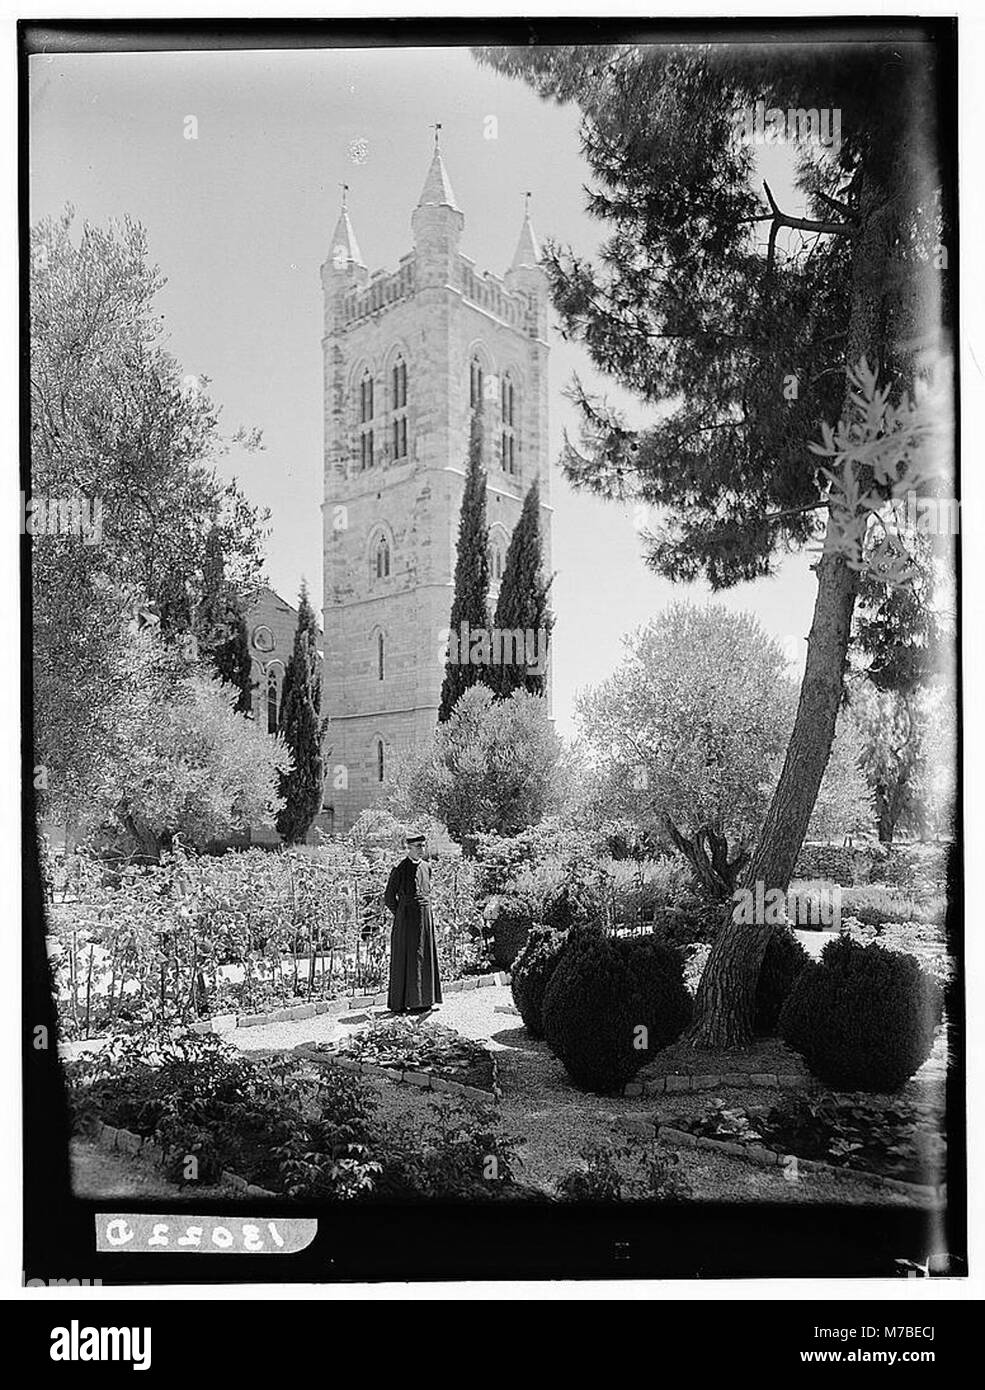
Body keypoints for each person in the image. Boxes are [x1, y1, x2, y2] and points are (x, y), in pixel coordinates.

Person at [384, 830, 443, 1014]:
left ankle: (425, 1001)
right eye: (418, 846)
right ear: (408, 848)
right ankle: (403, 1002)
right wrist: (401, 913)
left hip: (425, 918)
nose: (421, 849)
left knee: (424, 956)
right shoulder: (400, 869)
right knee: (407, 958)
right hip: (406, 920)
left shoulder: (427, 867)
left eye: (423, 846)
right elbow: (389, 898)